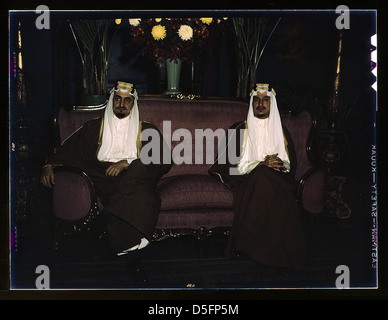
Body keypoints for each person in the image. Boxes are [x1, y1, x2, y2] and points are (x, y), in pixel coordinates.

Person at [41, 81, 172, 257]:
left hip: (137, 179)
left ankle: (109, 218)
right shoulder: (94, 128)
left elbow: (164, 158)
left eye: (127, 101)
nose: (122, 105)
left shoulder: (147, 129)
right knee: (145, 191)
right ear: (111, 101)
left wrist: (127, 162)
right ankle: (131, 244)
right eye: (118, 99)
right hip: (106, 180)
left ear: (133, 104)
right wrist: (49, 165)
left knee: (139, 167)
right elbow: (68, 149)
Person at [209, 83, 307, 270]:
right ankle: (281, 254)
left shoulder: (282, 133)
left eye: (265, 100)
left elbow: (290, 166)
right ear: (252, 103)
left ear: (273, 104)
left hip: (277, 180)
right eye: (256, 100)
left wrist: (279, 165)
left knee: (272, 179)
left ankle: (252, 248)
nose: (260, 104)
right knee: (263, 175)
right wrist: (258, 166)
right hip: (248, 181)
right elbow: (225, 169)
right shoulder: (238, 130)